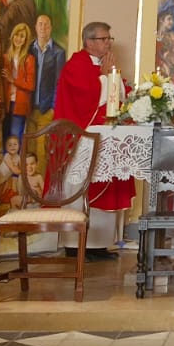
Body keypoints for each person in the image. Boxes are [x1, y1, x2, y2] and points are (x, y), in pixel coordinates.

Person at [52, 21, 131, 258]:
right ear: (89, 42)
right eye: (103, 39)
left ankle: (98, 245)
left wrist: (112, 77)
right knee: (81, 186)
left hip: (106, 138)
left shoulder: (106, 65)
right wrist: (106, 77)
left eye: (109, 39)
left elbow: (120, 98)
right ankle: (75, 245)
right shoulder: (76, 64)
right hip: (82, 138)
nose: (108, 43)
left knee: (104, 186)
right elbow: (85, 98)